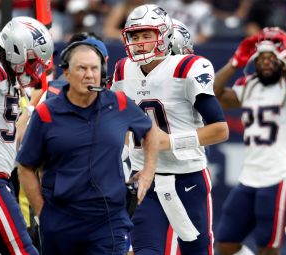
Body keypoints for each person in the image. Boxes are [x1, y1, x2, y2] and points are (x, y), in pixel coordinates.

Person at [16, 39, 159, 255]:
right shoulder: (46, 113)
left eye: (94, 68)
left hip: (108, 220)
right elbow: (26, 166)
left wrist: (148, 172)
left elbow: (150, 131)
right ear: (66, 73)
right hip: (61, 219)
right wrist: (43, 212)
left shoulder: (119, 103)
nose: (89, 74)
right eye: (82, 68)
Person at [111, 4, 229, 254]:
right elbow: (116, 123)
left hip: (188, 177)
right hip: (144, 179)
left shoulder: (187, 68)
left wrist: (170, 142)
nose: (140, 42)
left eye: (146, 35)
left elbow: (220, 130)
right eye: (134, 36)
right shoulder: (123, 70)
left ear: (163, 35)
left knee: (196, 251)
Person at [213, 27, 286, 255]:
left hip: (277, 175)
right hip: (249, 175)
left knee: (267, 247)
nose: (266, 62)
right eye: (261, 58)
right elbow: (212, 95)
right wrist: (234, 62)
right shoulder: (248, 85)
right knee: (225, 244)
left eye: (272, 58)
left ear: (283, 62)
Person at [0, 16, 53, 255]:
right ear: (15, 50)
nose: (34, 68)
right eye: (32, 60)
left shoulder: (8, 76)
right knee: (22, 250)